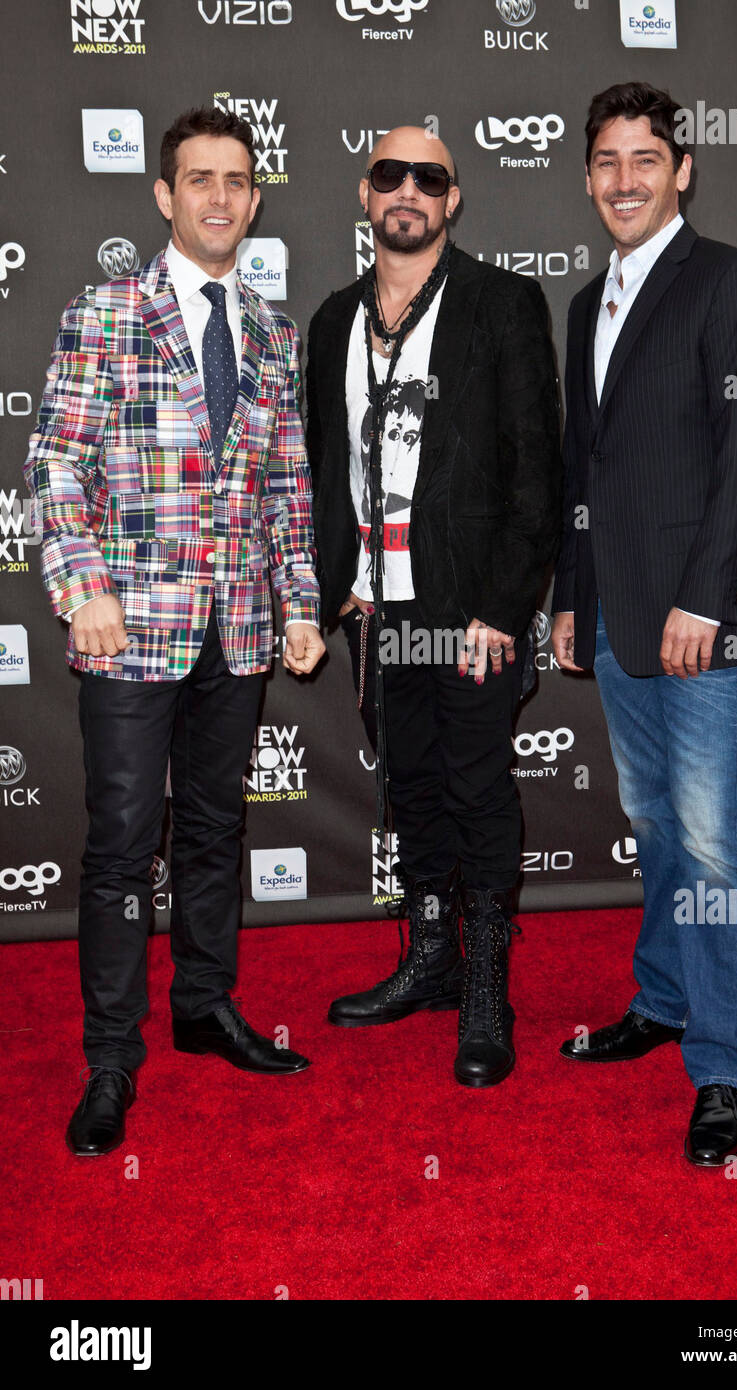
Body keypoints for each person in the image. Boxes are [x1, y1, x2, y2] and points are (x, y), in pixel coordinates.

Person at [24, 107, 325, 1157]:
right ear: (164, 196)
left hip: (236, 630)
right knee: (118, 848)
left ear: (254, 196)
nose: (217, 198)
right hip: (128, 630)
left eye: (236, 181)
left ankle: (203, 1005)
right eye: (198, 179)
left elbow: (288, 488)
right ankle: (111, 1054)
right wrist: (81, 586)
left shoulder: (272, 333)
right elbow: (55, 464)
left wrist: (297, 602)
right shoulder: (104, 312)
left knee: (212, 833)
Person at [551, 82, 737, 1166]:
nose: (622, 180)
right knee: (653, 827)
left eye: (643, 159)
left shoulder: (734, 282)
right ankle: (658, 1001)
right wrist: (569, 591)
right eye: (605, 161)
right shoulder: (584, 301)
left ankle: (725, 1068)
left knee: (712, 843)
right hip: (613, 611)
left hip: (705, 616)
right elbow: (584, 467)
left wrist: (701, 596)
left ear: (680, 169)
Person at [306, 126, 560, 1087]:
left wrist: (501, 609)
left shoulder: (500, 304)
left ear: (452, 200)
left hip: (468, 614)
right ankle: (431, 959)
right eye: (389, 175)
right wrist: (332, 593)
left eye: (429, 178)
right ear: (365, 194)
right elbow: (327, 471)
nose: (406, 191)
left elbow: (536, 472)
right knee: (411, 787)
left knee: (478, 788)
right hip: (381, 612)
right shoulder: (333, 319)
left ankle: (488, 986)